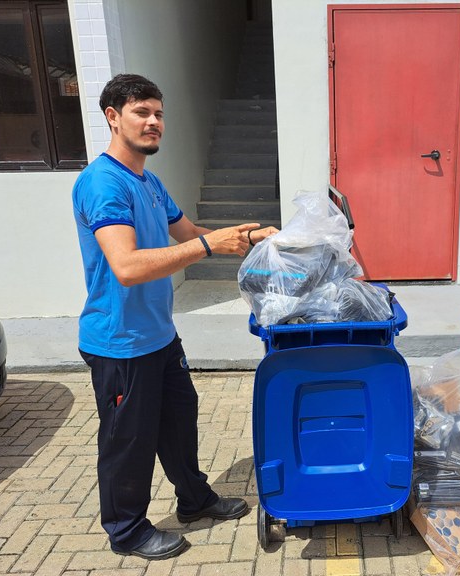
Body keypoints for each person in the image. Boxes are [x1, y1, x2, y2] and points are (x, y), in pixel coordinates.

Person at [72, 74, 277, 560]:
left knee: (179, 424)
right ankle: (126, 530)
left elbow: (187, 232)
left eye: (159, 113)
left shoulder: (149, 181)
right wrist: (209, 245)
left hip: (159, 335)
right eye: (142, 112)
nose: (153, 122)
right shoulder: (103, 183)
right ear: (112, 117)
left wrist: (250, 240)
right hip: (119, 342)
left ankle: (194, 500)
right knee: (129, 441)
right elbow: (126, 266)